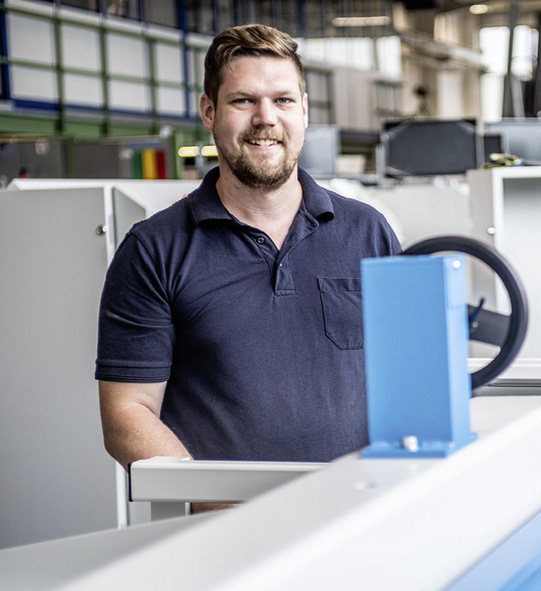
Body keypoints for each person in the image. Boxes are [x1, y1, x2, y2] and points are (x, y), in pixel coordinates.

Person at [95, 24, 402, 484]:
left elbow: (404, 378)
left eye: (282, 100)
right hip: (224, 536)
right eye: (243, 100)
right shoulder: (154, 250)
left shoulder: (368, 231)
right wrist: (220, 501)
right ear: (209, 111)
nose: (265, 118)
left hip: (358, 514)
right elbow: (127, 414)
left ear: (303, 111)